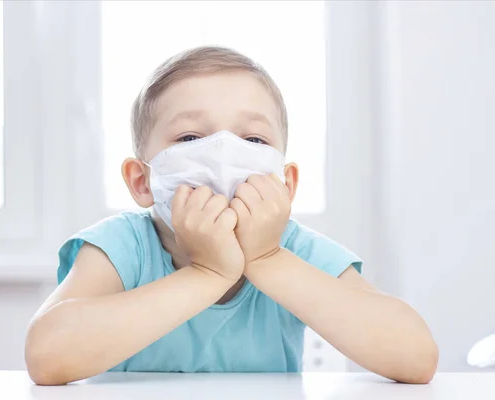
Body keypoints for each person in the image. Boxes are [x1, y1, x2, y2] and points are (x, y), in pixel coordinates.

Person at [25, 46, 438, 385]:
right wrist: (206, 274)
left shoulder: (295, 249)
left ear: (286, 184)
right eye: (190, 137)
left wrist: (267, 260)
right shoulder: (121, 247)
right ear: (141, 181)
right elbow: (47, 356)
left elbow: (416, 357)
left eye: (253, 138)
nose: (223, 152)